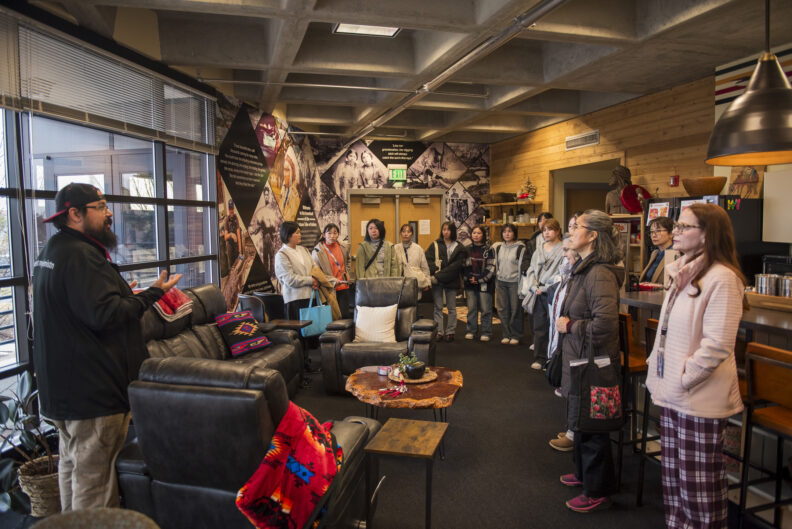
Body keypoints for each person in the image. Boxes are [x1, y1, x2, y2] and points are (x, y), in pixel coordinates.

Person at [32, 183, 181, 511]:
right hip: (92, 393)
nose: (109, 212)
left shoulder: (52, 251)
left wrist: (122, 294)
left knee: (72, 465)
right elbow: (108, 314)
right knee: (95, 478)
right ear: (75, 214)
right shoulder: (82, 256)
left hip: (62, 391)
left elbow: (79, 310)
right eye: (100, 206)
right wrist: (153, 292)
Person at [645, 204, 746, 529]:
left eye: (684, 227)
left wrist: (683, 378)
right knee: (674, 481)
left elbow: (716, 346)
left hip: (697, 398)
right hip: (673, 392)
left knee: (699, 489)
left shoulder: (723, 278)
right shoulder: (684, 271)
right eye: (677, 225)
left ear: (707, 236)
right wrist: (659, 370)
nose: (675, 231)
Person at [555, 209, 624, 513]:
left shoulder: (599, 273)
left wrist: (570, 326)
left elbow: (605, 325)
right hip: (579, 357)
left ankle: (597, 490)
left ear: (592, 236)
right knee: (582, 417)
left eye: (578, 228)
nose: (572, 232)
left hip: (594, 361)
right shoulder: (585, 267)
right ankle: (583, 475)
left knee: (594, 427)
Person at [546, 235, 580, 452]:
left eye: (568, 250)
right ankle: (572, 428)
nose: (564, 254)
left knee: (577, 387)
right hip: (568, 336)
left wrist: (570, 326)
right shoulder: (571, 271)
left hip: (578, 338)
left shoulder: (591, 273)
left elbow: (601, 320)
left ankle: (575, 431)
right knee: (570, 385)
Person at [524, 218, 564, 370]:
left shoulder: (563, 249)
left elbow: (562, 272)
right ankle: (540, 357)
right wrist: (534, 286)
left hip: (554, 292)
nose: (547, 233)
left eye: (550, 229)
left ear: (558, 231)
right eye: (544, 230)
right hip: (537, 291)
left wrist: (546, 288)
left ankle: (553, 359)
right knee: (538, 326)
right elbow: (531, 269)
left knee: (554, 326)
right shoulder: (539, 248)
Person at [425, 221, 467, 342]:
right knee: (438, 307)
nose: (446, 232)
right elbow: (427, 260)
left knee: (451, 308)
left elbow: (455, 267)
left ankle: (450, 332)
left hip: (451, 281)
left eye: (448, 229)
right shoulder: (435, 245)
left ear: (453, 231)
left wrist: (438, 276)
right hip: (438, 282)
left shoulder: (459, 247)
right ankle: (439, 331)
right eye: (444, 229)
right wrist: (435, 270)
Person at [274, 221, 319, 321]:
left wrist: (317, 280)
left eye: (300, 232)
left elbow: (314, 268)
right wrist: (311, 280)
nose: (300, 235)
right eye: (297, 233)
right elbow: (290, 279)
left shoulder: (304, 250)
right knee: (299, 334)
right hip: (295, 300)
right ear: (288, 235)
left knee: (314, 332)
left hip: (311, 297)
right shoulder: (282, 255)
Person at [494, 223, 529, 345]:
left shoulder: (521, 248)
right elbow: (496, 265)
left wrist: (521, 284)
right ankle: (506, 334)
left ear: (514, 233)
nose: (507, 234)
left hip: (515, 283)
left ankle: (516, 335)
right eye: (504, 232)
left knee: (515, 310)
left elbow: (522, 268)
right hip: (501, 282)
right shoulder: (498, 247)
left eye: (509, 231)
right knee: (502, 309)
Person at [312, 223, 353, 319]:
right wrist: (333, 280)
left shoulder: (344, 246)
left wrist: (347, 273)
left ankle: (345, 334)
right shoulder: (317, 251)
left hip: (344, 285)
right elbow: (317, 272)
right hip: (329, 288)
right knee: (333, 315)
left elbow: (348, 261)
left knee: (345, 314)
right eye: (329, 233)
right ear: (323, 235)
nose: (332, 236)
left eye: (335, 233)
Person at [462, 225, 495, 342]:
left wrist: (479, 279)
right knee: (471, 309)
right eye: (474, 233)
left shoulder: (489, 249)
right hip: (470, 283)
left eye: (478, 233)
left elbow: (491, 268)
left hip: (485, 284)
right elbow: (465, 266)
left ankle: (486, 332)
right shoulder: (467, 249)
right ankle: (471, 330)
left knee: (486, 309)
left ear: (483, 235)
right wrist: (470, 278)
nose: (476, 235)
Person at [394, 223, 431, 299]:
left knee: (414, 306)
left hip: (414, 283)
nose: (406, 234)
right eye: (403, 231)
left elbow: (425, 268)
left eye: (408, 232)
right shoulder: (395, 248)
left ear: (412, 234)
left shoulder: (418, 249)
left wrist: (427, 282)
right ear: (400, 233)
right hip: (399, 283)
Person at [639, 216, 675, 284]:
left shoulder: (675, 254)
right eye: (652, 232)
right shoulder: (655, 253)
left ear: (671, 234)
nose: (653, 235)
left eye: (658, 231)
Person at [224, 199, 242, 274]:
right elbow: (225, 237)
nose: (231, 211)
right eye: (230, 209)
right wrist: (231, 234)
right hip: (229, 244)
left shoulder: (236, 218)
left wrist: (240, 251)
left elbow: (238, 234)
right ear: (228, 209)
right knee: (231, 266)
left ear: (234, 209)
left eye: (232, 209)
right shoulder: (226, 220)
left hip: (235, 244)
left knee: (238, 262)